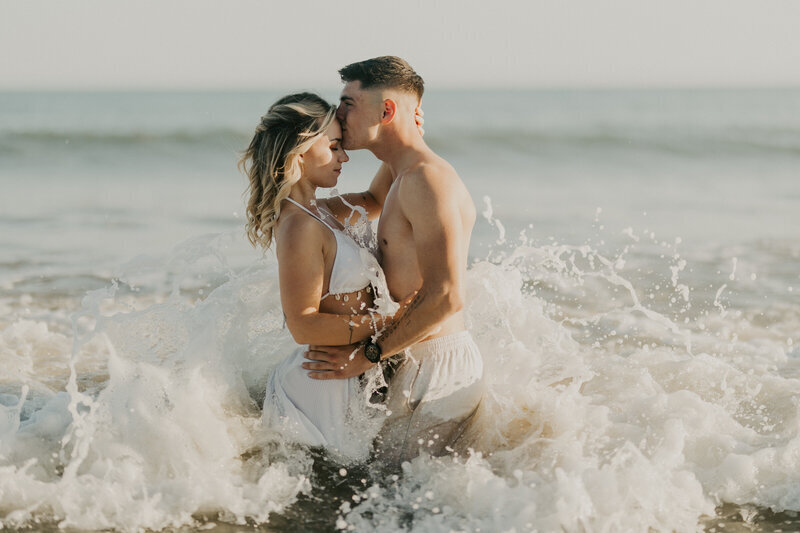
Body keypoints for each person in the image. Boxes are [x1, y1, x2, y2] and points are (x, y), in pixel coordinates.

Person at [301, 57, 485, 464]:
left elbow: (448, 296)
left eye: (348, 102)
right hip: (412, 355)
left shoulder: (426, 179)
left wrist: (366, 356)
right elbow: (370, 203)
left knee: (413, 509)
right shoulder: (401, 171)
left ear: (386, 110)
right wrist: (292, 208)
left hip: (436, 367)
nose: (338, 114)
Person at [239, 92, 401, 460]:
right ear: (298, 154)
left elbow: (376, 197)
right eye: (333, 146)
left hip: (340, 374)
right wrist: (388, 321)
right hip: (320, 386)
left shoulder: (323, 210)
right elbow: (304, 326)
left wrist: (398, 134)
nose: (344, 157)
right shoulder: (299, 226)